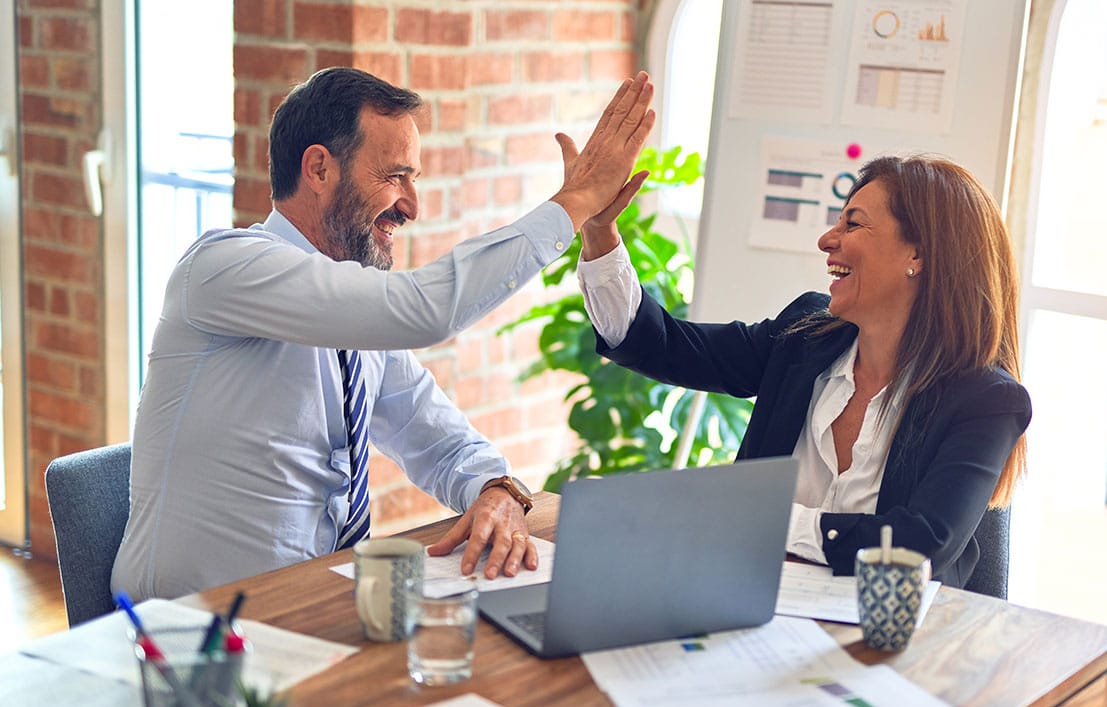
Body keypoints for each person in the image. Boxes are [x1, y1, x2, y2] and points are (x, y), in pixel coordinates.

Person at [111, 67, 654, 600]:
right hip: (189, 634)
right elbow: (425, 310)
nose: (412, 206)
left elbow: (437, 438)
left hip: (314, 609)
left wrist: (496, 488)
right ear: (319, 169)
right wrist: (576, 202)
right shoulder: (224, 268)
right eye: (396, 176)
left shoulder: (354, 320)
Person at [577, 155, 1030, 588]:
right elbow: (663, 346)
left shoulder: (986, 400)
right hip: (752, 608)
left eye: (852, 223)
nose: (827, 240)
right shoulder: (805, 336)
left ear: (919, 255)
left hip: (893, 643)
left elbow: (918, 547)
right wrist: (600, 232)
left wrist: (764, 519)